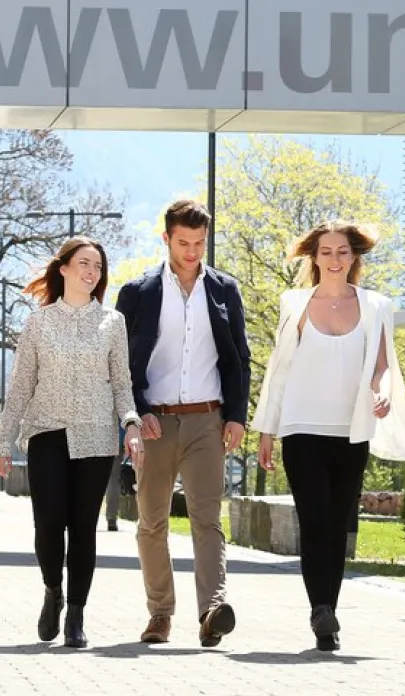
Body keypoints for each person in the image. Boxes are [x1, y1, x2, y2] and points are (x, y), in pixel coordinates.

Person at [254, 221, 405, 651]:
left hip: (350, 430)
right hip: (300, 427)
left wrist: (381, 393)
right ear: (314, 257)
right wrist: (266, 431)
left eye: (343, 252)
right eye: (327, 251)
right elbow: (279, 371)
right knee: (314, 520)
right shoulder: (293, 303)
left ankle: (328, 610)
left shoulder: (376, 306)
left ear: (354, 258)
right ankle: (321, 611)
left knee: (337, 524)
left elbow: (384, 365)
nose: (335, 259)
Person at [0, 237, 145, 649]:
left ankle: (75, 613)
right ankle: (52, 591)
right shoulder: (38, 323)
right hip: (46, 433)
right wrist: (4, 439)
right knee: (48, 524)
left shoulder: (113, 323)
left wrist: (130, 423)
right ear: (64, 269)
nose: (91, 272)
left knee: (83, 528)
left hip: (96, 438)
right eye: (83, 263)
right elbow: (21, 386)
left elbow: (122, 385)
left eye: (97, 266)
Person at [115, 199, 250, 648]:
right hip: (155, 423)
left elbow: (239, 360)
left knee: (206, 519)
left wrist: (235, 416)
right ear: (167, 239)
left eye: (199, 243)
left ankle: (212, 610)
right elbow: (121, 364)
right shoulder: (139, 292)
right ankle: (160, 614)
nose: (192, 252)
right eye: (183, 243)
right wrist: (137, 414)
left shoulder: (224, 290)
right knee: (151, 521)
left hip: (206, 420)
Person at [97, 425, 126, 531]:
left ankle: (86, 516)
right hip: (117, 437)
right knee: (113, 479)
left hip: (95, 436)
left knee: (89, 477)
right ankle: (111, 519)